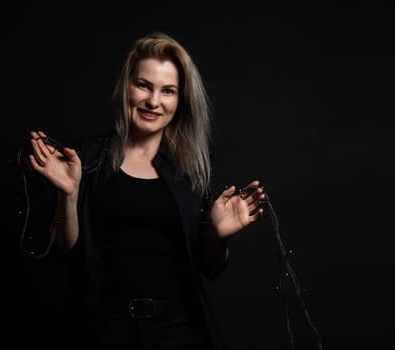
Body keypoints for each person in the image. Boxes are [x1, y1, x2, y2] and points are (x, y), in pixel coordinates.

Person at [19, 31, 265, 350]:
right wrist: (68, 193)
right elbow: (66, 250)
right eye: (144, 85)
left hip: (179, 331)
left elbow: (211, 268)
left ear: (181, 100)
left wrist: (219, 236)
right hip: (102, 330)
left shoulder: (194, 170)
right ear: (127, 87)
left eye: (168, 91)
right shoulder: (86, 159)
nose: (153, 101)